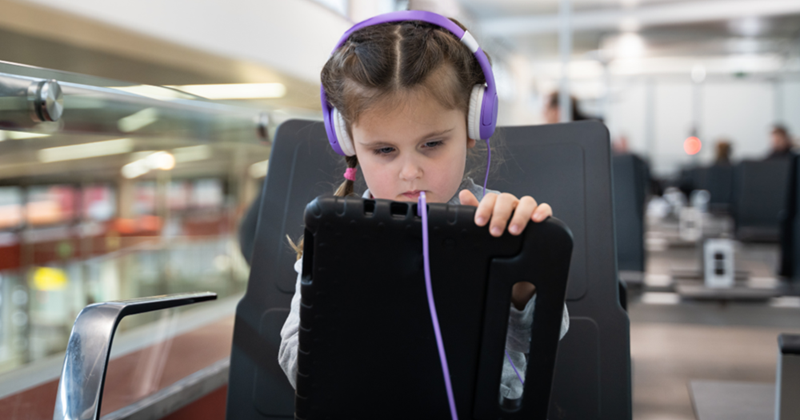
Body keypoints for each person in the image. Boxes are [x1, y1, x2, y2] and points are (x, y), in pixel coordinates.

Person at [278, 11, 569, 405]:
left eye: (432, 144)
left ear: (471, 126)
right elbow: (296, 362)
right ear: (349, 143)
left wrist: (521, 264)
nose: (410, 173)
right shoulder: (335, 239)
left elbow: (545, 341)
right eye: (384, 150)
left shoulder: (498, 222)